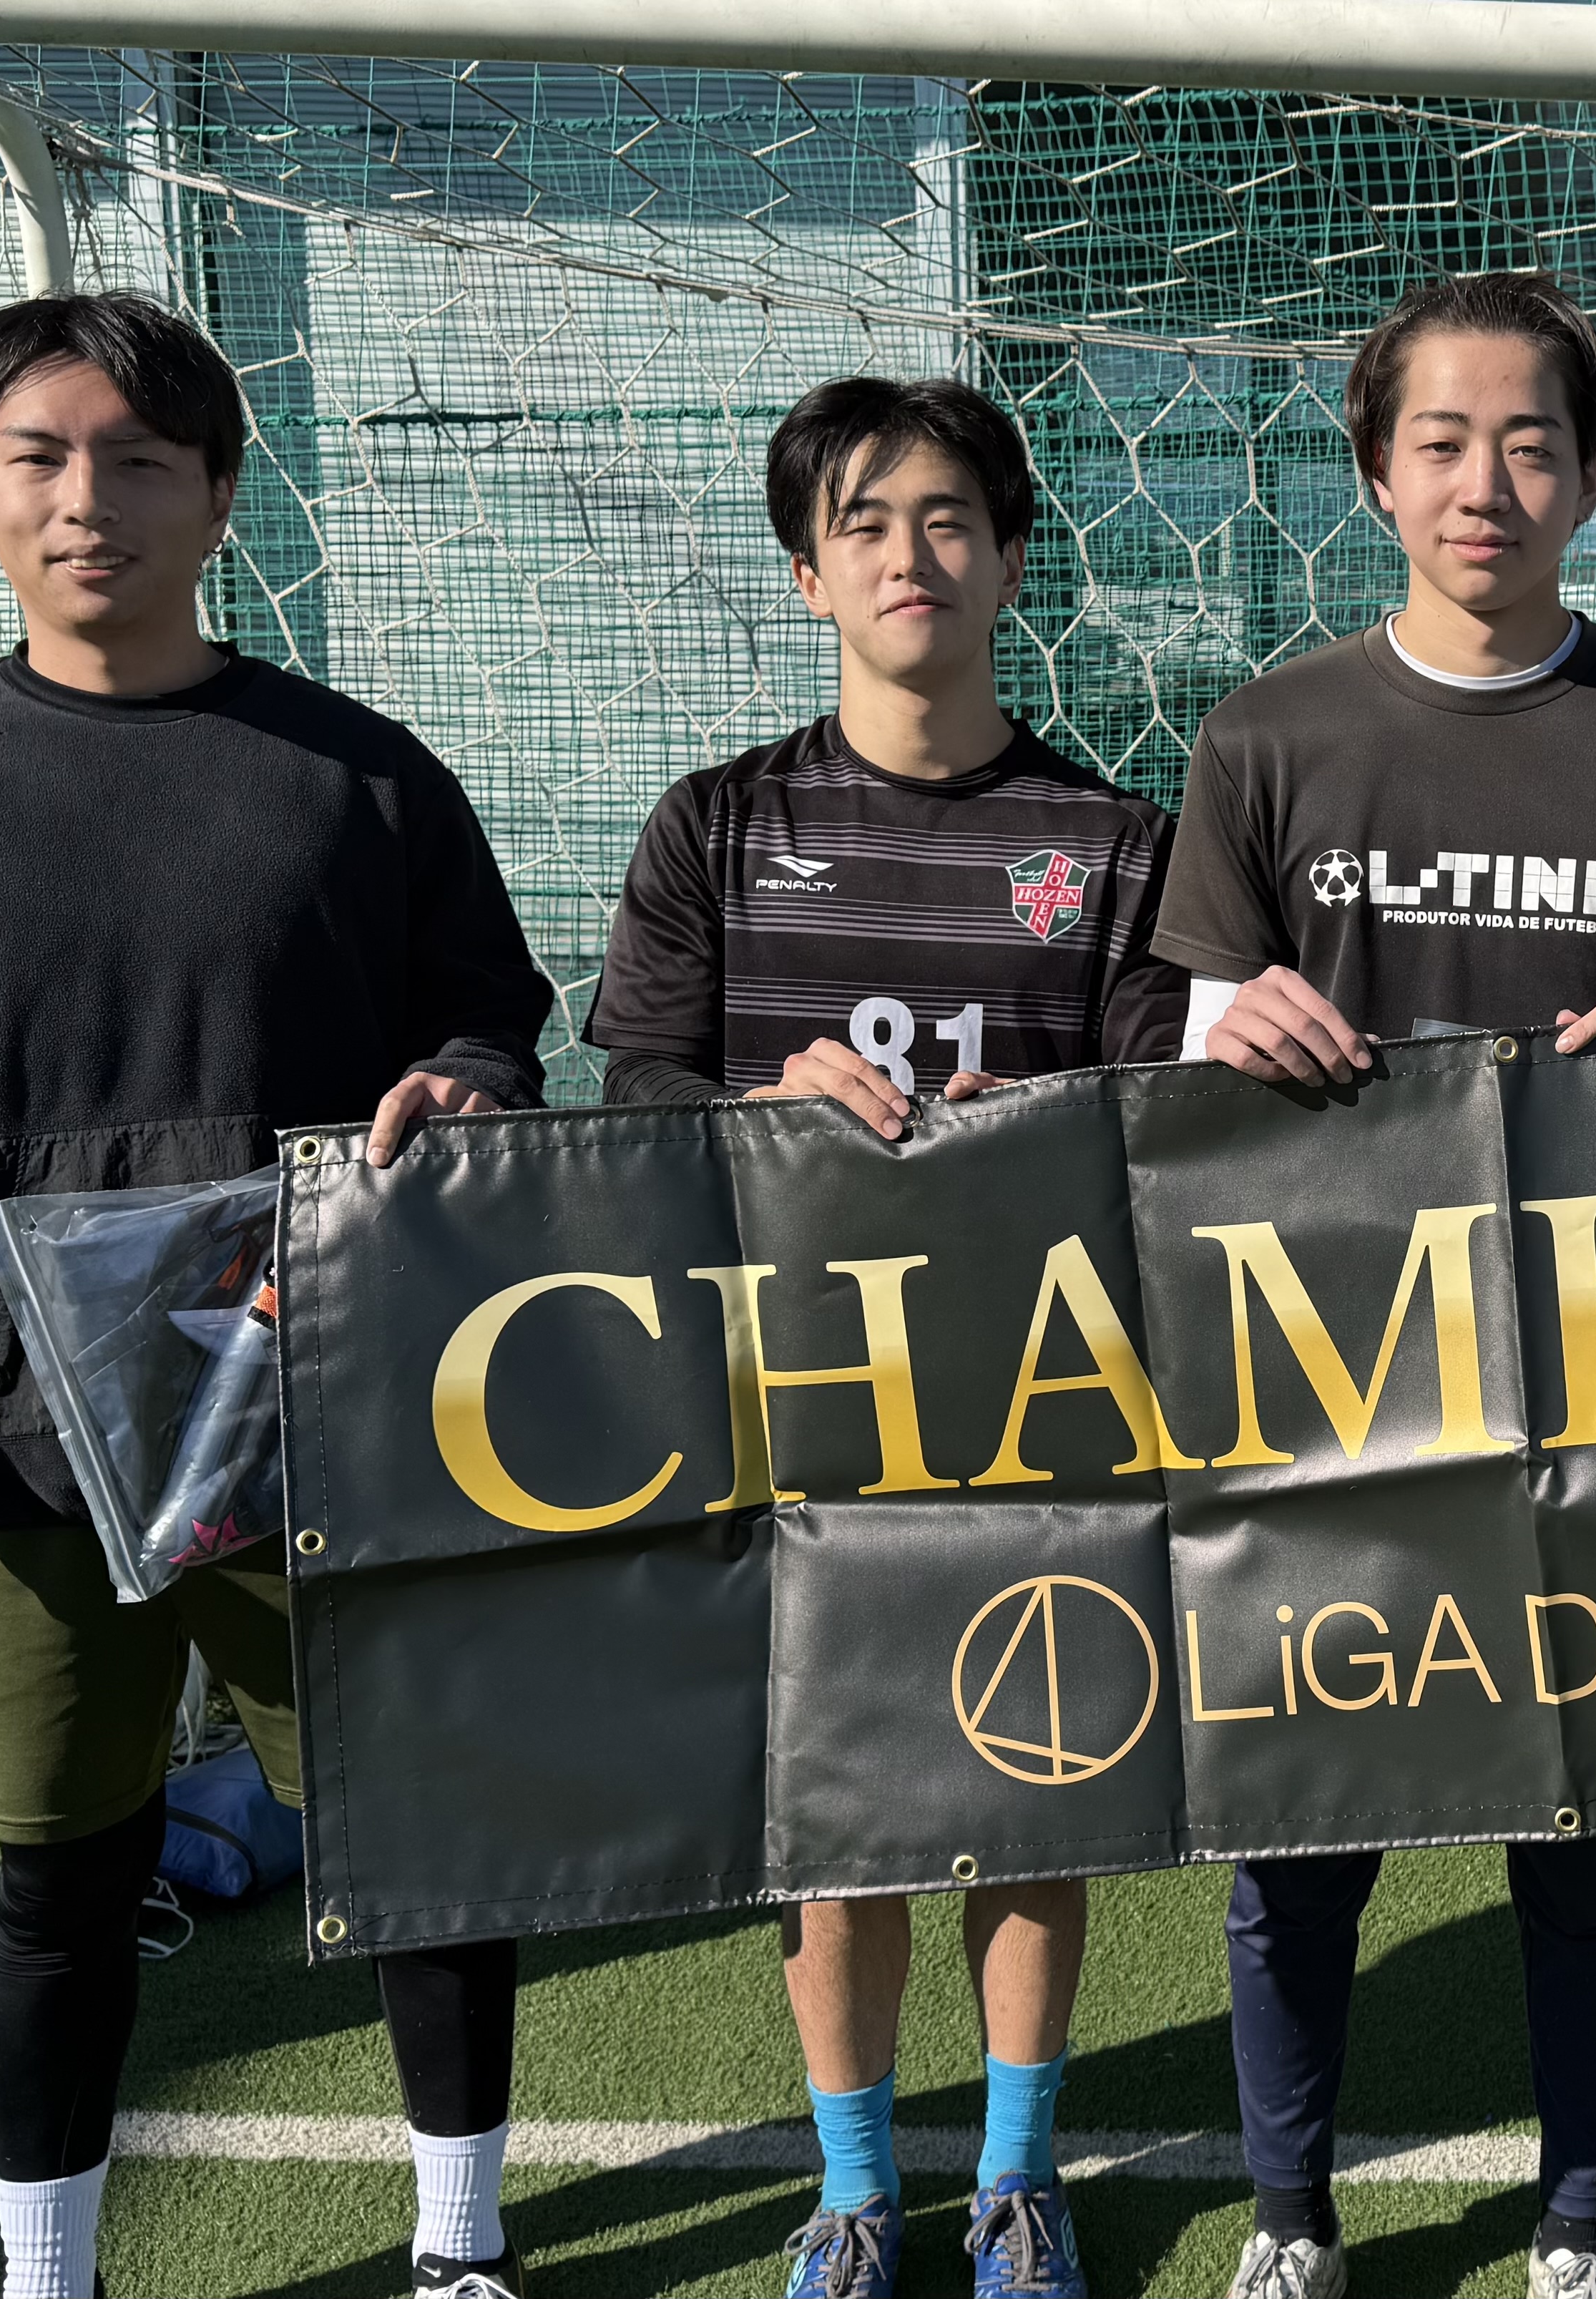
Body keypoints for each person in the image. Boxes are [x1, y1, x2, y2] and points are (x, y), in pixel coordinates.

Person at [0, 294, 556, 2299]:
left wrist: (471, 1081)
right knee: (60, 1879)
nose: (87, 498)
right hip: (13, 1435)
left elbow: (490, 1021)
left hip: (328, 1414)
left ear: (217, 499)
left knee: (418, 1850)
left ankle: (460, 2250)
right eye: (39, 456)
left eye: (140, 460)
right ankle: (52, 2274)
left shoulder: (356, 777)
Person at [1148, 270, 1596, 2299]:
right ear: (1375, 474)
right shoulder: (1270, 735)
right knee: (1302, 1830)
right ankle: (1290, 2219)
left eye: (1532, 443)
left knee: (1585, 1821)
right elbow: (1190, 1075)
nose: (1485, 484)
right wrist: (1240, 1032)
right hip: (1329, 1374)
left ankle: (1580, 2222)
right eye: (1440, 441)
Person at [584, 374, 1185, 2299]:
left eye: (946, 519)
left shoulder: (1114, 837)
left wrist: (1042, 1129)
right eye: (862, 523)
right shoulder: (716, 826)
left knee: (1037, 1769)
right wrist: (765, 1097)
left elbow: (1161, 1118)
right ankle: (851, 2191)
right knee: (829, 1807)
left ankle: (1017, 2175)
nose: (907, 555)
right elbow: (634, 1097)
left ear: (1009, 561)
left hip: (1039, 1390)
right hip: (794, 1397)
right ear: (806, 576)